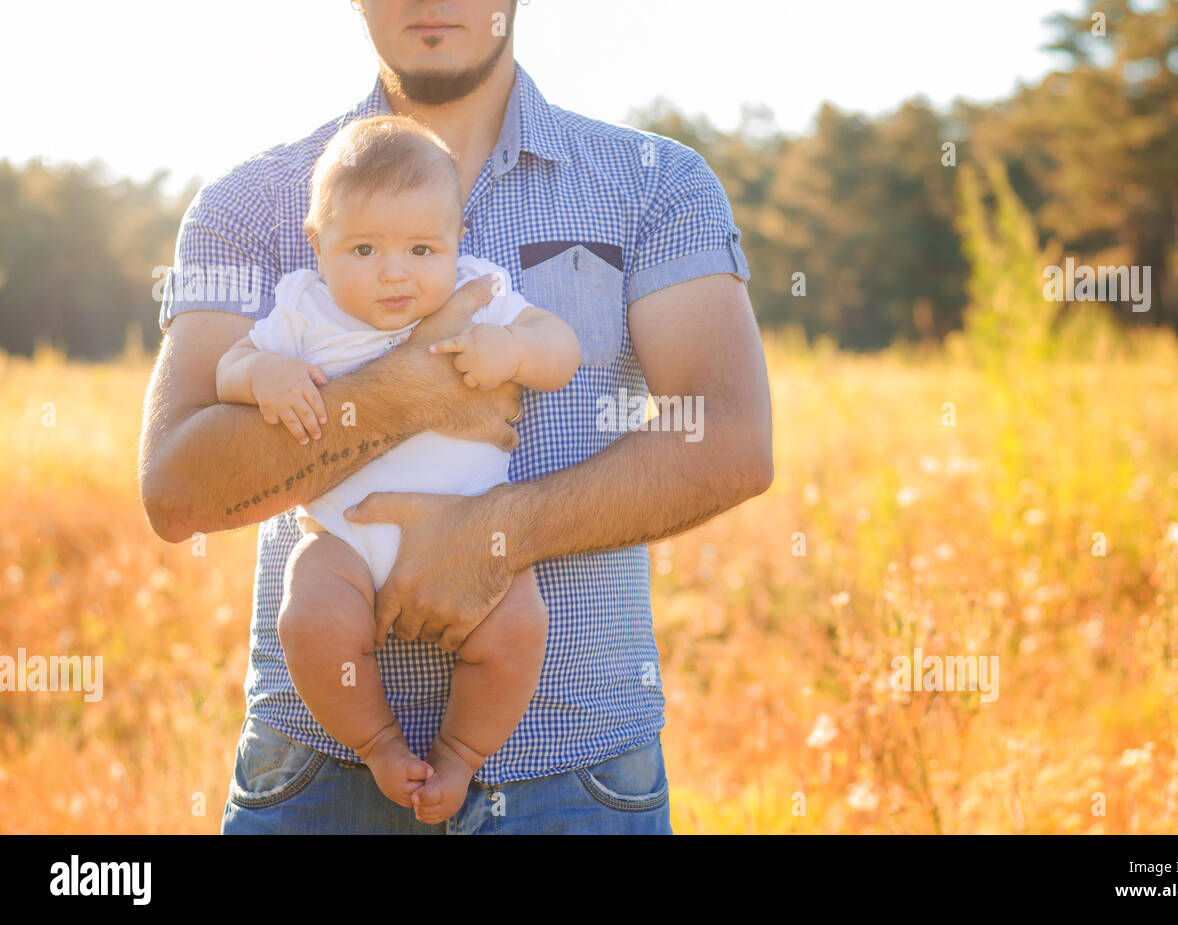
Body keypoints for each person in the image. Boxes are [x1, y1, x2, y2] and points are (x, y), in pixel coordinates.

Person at [139, 0, 773, 834]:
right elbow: (176, 493)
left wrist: (496, 535)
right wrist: (412, 387)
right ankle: (377, 739)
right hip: (315, 782)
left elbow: (728, 439)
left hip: (580, 777)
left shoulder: (655, 182)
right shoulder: (250, 205)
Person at [213, 113, 579, 824]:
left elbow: (557, 346)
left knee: (517, 630)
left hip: (476, 526)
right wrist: (264, 376)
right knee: (309, 620)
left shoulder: (477, 292)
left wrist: (512, 350)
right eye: (363, 248)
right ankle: (380, 744)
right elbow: (228, 367)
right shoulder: (303, 308)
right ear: (317, 245)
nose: (395, 271)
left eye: (420, 247)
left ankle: (459, 756)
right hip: (344, 541)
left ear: (456, 243)